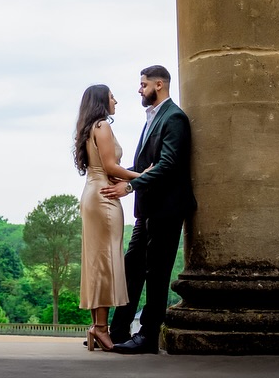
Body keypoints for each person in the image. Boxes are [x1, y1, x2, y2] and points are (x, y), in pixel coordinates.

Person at [99, 64, 195, 355]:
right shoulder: (154, 117)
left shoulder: (175, 117)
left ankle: (149, 336)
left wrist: (129, 187)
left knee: (157, 271)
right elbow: (146, 166)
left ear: (159, 85)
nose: (139, 90)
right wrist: (126, 174)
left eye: (143, 85)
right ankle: (117, 332)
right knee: (133, 266)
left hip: (167, 207)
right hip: (148, 208)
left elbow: (168, 165)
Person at [73, 84, 138, 351]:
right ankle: (101, 328)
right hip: (105, 198)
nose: (116, 101)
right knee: (106, 261)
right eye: (112, 96)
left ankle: (96, 326)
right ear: (102, 101)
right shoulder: (103, 126)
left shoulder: (89, 129)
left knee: (97, 260)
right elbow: (111, 166)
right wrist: (144, 176)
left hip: (93, 193)